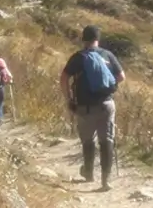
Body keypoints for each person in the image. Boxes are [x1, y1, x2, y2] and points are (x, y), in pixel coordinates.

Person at [60, 25, 126, 191]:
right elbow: (121, 77)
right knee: (107, 140)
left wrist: (69, 99)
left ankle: (89, 173)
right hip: (107, 104)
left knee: (88, 140)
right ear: (98, 39)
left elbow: (64, 77)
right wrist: (105, 86)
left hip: (85, 106)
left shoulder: (79, 57)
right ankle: (106, 181)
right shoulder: (108, 55)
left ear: (84, 39)